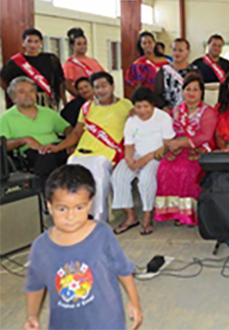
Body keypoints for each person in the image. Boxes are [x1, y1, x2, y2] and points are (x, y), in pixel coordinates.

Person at [24, 165, 142, 330]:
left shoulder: (102, 234)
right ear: (50, 206)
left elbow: (123, 269)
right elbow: (35, 285)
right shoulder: (41, 247)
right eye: (62, 209)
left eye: (79, 208)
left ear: (89, 205)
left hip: (106, 323)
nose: (71, 217)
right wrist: (32, 315)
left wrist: (134, 302)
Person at [39, 72, 133, 222]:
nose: (101, 90)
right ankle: (76, 216)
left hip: (107, 153)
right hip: (81, 152)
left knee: (97, 176)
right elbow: (76, 133)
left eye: (104, 86)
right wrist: (58, 147)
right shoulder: (87, 107)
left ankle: (97, 219)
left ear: (112, 86)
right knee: (71, 172)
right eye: (97, 87)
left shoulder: (125, 105)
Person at [154, 74, 217, 226]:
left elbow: (206, 136)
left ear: (201, 92)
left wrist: (182, 143)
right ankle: (173, 211)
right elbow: (167, 130)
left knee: (186, 170)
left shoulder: (207, 111)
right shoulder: (176, 110)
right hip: (177, 147)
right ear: (182, 91)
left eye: (195, 89)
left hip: (199, 148)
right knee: (165, 167)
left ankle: (188, 214)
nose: (191, 93)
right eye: (188, 89)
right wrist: (169, 146)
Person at [111, 88, 175, 236]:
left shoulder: (163, 118)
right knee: (118, 176)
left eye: (145, 106)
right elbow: (129, 145)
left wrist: (145, 159)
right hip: (136, 154)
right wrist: (129, 160)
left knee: (146, 179)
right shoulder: (132, 120)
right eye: (138, 107)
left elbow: (167, 145)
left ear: (152, 104)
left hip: (156, 156)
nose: (142, 111)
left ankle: (147, 216)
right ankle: (130, 216)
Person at [0, 77, 70, 192]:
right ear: (13, 97)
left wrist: (70, 142)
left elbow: (68, 129)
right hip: (31, 153)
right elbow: (2, 145)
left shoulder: (48, 112)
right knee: (46, 158)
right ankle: (48, 195)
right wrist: (24, 140)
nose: (28, 95)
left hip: (56, 147)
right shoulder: (6, 118)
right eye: (22, 92)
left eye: (31, 91)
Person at [1, 28, 65, 109]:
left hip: (46, 100)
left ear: (41, 42)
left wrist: (64, 100)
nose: (33, 45)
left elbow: (60, 81)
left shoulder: (51, 59)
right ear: (23, 43)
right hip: (24, 100)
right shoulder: (15, 62)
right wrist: (14, 94)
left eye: (36, 41)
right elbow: (2, 79)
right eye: (29, 41)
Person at [154, 38, 202, 110]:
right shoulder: (164, 70)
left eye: (180, 50)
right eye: (174, 50)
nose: (177, 53)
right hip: (168, 112)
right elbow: (157, 94)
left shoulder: (195, 71)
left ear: (188, 51)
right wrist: (164, 107)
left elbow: (200, 92)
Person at [62, 28, 104, 97]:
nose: (83, 46)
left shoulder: (93, 61)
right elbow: (68, 85)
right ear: (72, 46)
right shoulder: (69, 64)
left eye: (85, 43)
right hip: (82, 99)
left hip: (98, 98)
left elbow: (104, 77)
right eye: (79, 44)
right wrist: (81, 97)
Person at [192, 34, 229, 106]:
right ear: (208, 45)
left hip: (221, 99)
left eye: (219, 46)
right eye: (214, 45)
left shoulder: (227, 64)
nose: (216, 48)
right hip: (202, 98)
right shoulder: (197, 63)